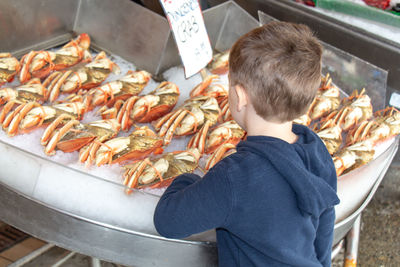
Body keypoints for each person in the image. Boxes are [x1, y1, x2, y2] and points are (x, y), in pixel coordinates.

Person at [153, 21, 340, 267]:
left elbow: (168, 221)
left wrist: (188, 179)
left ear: (240, 97)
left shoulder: (234, 177)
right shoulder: (315, 148)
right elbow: (325, 225)